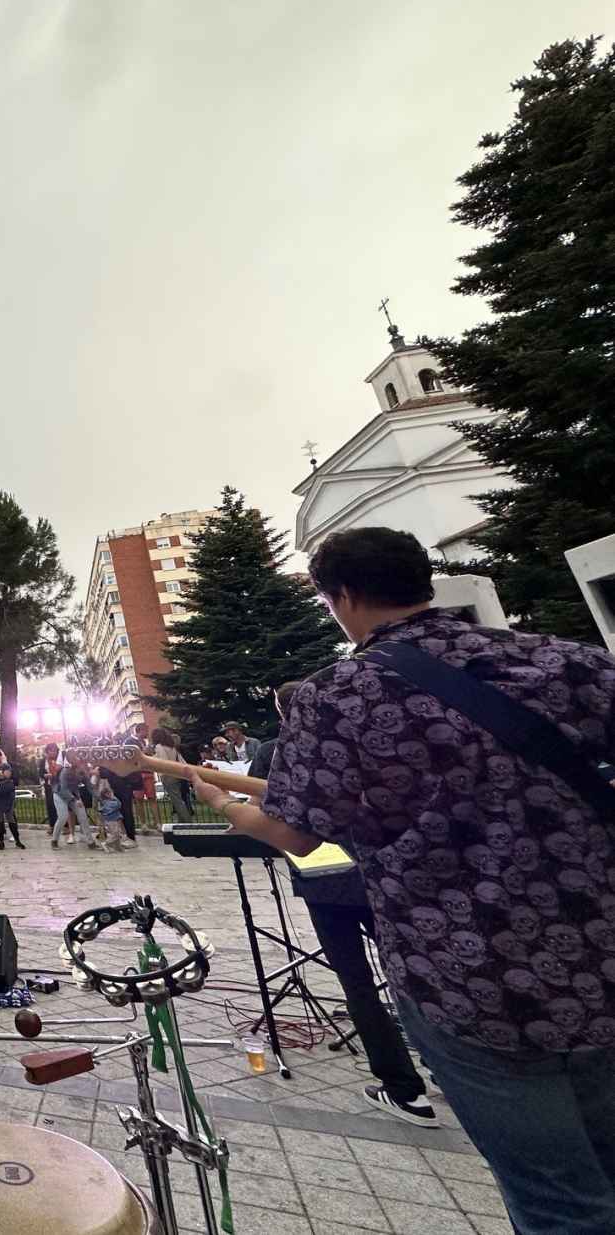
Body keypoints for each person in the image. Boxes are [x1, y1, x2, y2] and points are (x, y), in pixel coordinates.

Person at [195, 526, 615, 1235]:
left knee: (558, 1201)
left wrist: (229, 807)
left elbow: (299, 830)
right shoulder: (565, 661)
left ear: (344, 598)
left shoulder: (338, 696)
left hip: (468, 975)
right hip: (599, 954)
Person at [250, 680, 437, 1127]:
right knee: (410, 971)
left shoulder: (280, 753)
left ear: (281, 711)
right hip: (378, 875)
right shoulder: (358, 735)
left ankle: (405, 1090)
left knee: (358, 983)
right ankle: (443, 1068)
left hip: (326, 880)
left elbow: (269, 811)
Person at [52, 756, 97, 850]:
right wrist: (75, 800)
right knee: (63, 817)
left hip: (74, 795)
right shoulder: (66, 771)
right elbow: (63, 789)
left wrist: (101, 798)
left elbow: (90, 788)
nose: (85, 767)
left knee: (83, 816)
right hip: (60, 794)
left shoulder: (83, 773)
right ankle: (54, 841)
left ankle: (91, 842)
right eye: (82, 764)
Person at [0, 757, 24, 849]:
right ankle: (1, 841)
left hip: (7, 794)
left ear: (0, 756)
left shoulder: (6, 766)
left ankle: (17, 840)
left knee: (10, 816)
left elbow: (5, 776)